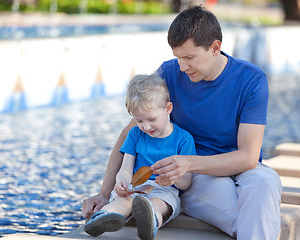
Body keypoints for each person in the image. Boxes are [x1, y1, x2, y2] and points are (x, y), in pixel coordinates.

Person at [82, 5, 282, 240]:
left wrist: (187, 162)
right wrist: (104, 194)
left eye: (189, 58)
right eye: (178, 57)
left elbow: (248, 157)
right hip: (198, 177)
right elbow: (130, 133)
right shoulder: (169, 73)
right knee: (251, 220)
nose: (182, 66)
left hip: (226, 167)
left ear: (215, 48)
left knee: (266, 180)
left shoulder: (252, 80)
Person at [83, 73, 195, 240]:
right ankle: (105, 217)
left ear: (168, 109)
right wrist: (121, 181)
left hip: (164, 188)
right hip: (136, 186)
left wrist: (173, 177)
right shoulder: (135, 135)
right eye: (139, 121)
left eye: (151, 119)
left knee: (159, 203)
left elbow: (186, 182)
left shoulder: (183, 139)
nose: (146, 126)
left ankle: (151, 221)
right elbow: (126, 169)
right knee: (124, 200)